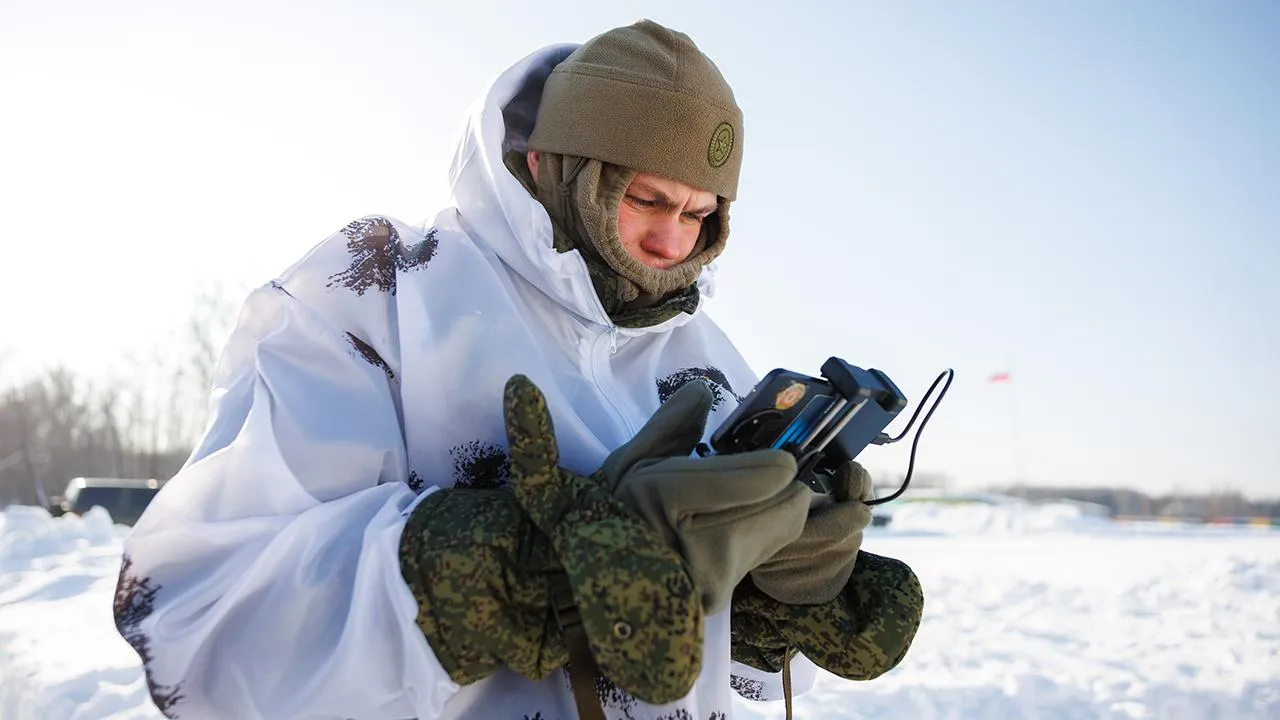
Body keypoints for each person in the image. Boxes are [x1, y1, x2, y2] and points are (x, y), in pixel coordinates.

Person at [113, 19, 923, 720]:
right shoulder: (380, 288)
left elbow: (715, 672)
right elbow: (200, 618)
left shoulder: (702, 356)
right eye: (644, 199)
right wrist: (512, 574)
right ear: (550, 165)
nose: (673, 245)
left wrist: (776, 607)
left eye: (700, 214)